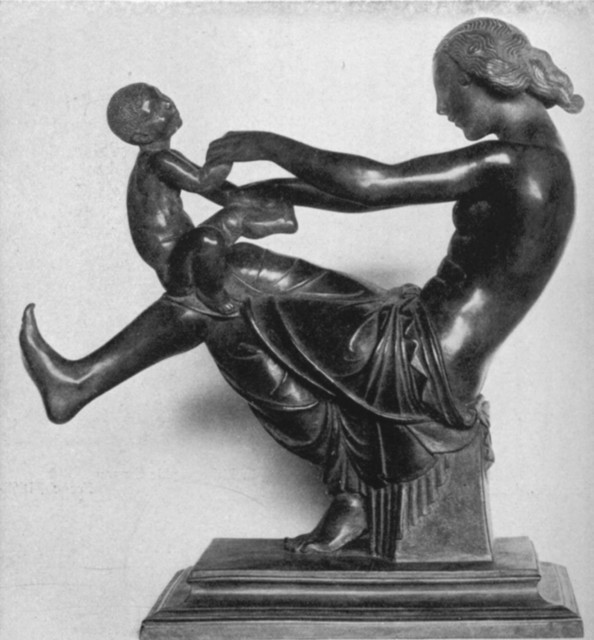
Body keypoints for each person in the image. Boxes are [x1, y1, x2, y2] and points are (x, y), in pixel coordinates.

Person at [20, 18, 583, 556]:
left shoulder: (516, 161)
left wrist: (270, 143)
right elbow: (363, 197)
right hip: (416, 334)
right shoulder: (534, 159)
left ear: (478, 77)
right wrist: (276, 191)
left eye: (446, 89)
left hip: (420, 357)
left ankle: (346, 490)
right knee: (234, 267)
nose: (442, 107)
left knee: (221, 305)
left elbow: (374, 185)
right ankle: (80, 382)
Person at [106, 82, 298, 315]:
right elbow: (202, 181)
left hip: (185, 252)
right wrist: (227, 156)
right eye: (155, 108)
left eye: (161, 95)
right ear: (142, 135)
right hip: (177, 271)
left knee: (232, 216)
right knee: (209, 239)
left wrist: (242, 197)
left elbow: (209, 188)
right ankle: (211, 294)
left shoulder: (163, 158)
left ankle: (281, 219)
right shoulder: (159, 161)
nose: (167, 103)